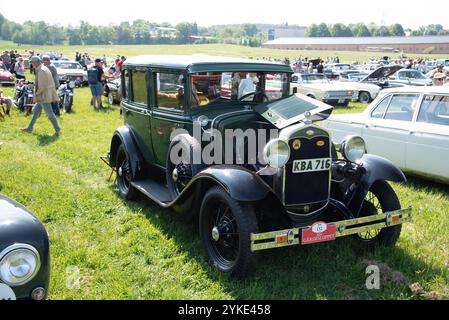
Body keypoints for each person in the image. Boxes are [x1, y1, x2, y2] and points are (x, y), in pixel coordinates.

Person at [21, 56, 61, 136]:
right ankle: (29, 128)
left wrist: (36, 94)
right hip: (45, 94)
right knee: (35, 111)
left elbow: (42, 86)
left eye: (32, 62)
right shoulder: (43, 68)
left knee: (50, 113)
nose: (31, 64)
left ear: (36, 62)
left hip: (43, 96)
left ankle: (58, 130)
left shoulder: (41, 70)